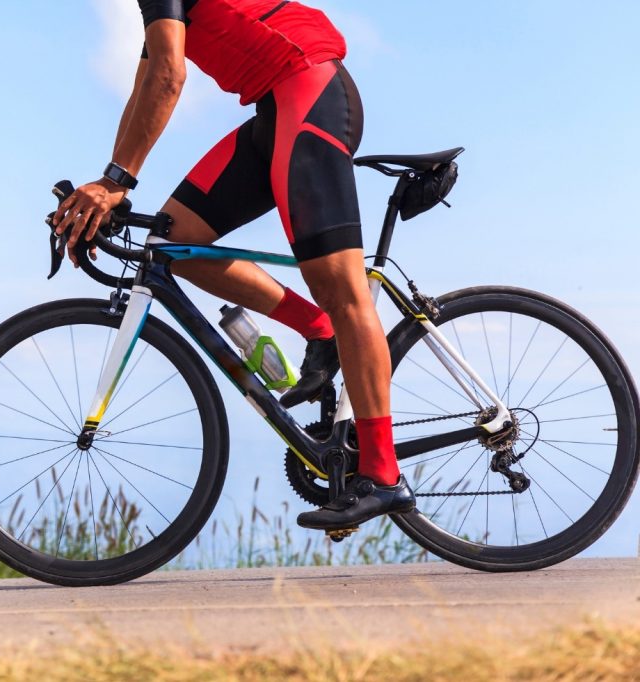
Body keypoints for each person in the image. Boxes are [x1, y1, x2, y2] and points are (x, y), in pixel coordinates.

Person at [51, 0, 414, 530]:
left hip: (310, 91)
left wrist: (114, 182)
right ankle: (319, 330)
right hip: (276, 108)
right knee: (176, 243)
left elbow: (171, 77)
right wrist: (112, 187)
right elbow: (149, 75)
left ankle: (383, 474)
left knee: (342, 291)